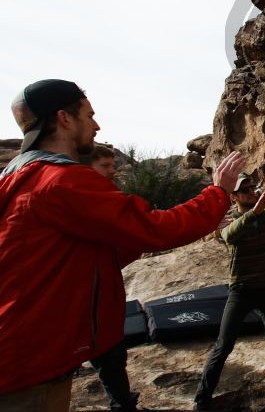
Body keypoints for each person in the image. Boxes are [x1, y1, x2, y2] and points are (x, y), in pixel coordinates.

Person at [0, 79, 245, 412]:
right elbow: (156, 229)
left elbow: (73, 255)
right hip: (30, 364)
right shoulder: (61, 181)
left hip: (21, 348)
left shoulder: (17, 177)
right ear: (64, 118)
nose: (97, 125)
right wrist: (217, 193)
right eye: (89, 114)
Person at [194, 174, 265, 410]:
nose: (251, 191)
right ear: (233, 196)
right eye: (244, 189)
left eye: (252, 187)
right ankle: (202, 399)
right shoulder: (230, 219)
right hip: (241, 291)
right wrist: (254, 212)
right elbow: (230, 235)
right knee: (223, 346)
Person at [78, 143, 140, 411]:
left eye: (113, 166)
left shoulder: (108, 199)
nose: (112, 171)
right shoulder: (79, 204)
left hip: (105, 307)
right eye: (105, 166)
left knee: (114, 361)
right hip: (82, 309)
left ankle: (124, 403)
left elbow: (122, 252)